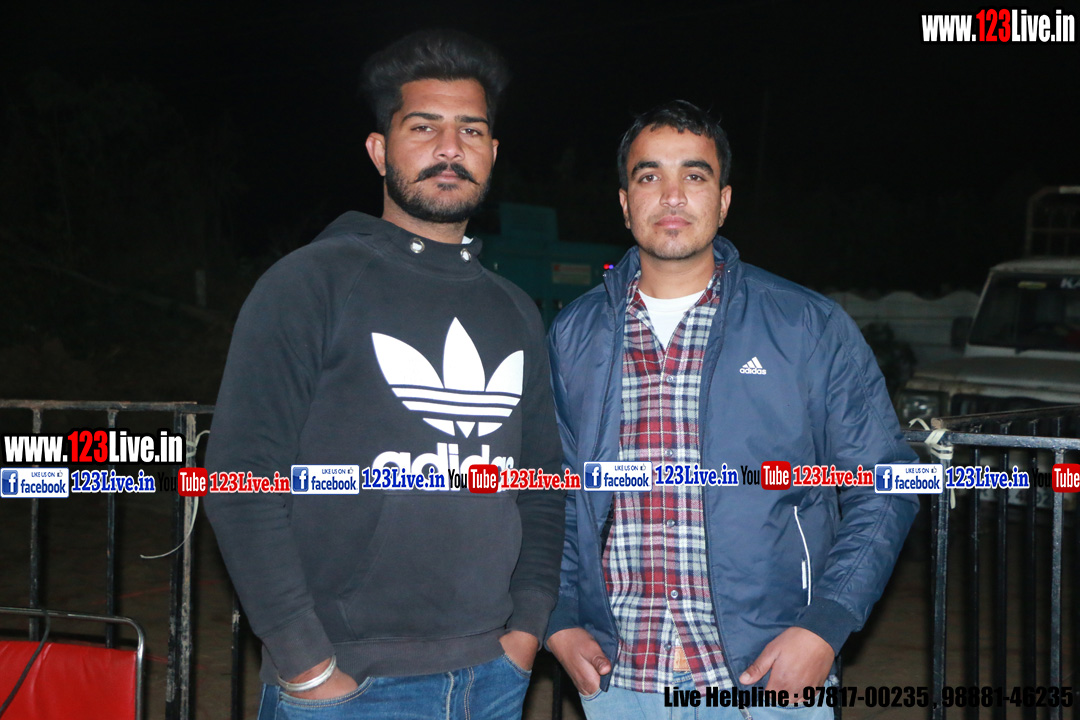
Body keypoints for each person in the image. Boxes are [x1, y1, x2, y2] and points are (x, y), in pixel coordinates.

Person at [204, 29, 564, 720]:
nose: (449, 148)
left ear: (492, 153)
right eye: (423, 127)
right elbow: (239, 481)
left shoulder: (514, 310)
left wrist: (526, 627)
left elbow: (544, 483)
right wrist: (308, 665)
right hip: (350, 683)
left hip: (493, 676)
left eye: (470, 130)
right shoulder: (310, 282)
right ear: (379, 150)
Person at [544, 100, 918, 719]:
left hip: (766, 675)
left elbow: (888, 483)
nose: (672, 195)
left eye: (694, 175)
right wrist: (558, 617)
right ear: (625, 203)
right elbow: (549, 490)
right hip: (621, 682)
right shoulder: (574, 333)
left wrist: (824, 626)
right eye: (649, 176)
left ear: (722, 201)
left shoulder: (805, 325)